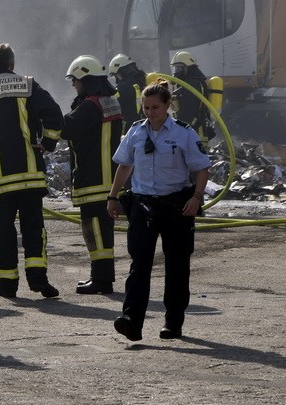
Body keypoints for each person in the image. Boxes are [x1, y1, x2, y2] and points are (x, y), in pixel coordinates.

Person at [107, 83, 211, 342]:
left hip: (176, 206)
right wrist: (112, 196)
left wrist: (196, 198)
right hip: (143, 205)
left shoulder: (184, 133)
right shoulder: (135, 132)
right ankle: (131, 320)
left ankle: (173, 322)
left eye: (155, 107)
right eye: (146, 108)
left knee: (177, 266)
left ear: (167, 106)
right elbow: (124, 166)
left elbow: (201, 169)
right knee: (139, 264)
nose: (150, 113)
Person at [0, 43, 64, 299]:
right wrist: (47, 143)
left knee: (3, 231)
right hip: (30, 175)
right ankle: (39, 280)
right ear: (12, 64)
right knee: (33, 228)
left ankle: (7, 283)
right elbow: (54, 114)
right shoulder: (28, 85)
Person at [61, 55, 123, 295]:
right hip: (109, 177)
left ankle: (101, 280)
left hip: (92, 178)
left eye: (75, 81)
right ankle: (102, 277)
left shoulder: (89, 106)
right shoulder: (110, 102)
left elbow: (67, 128)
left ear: (85, 79)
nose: (74, 86)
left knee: (93, 230)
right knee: (103, 229)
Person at [170, 51, 213, 141]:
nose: (176, 72)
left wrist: (177, 132)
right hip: (194, 131)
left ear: (187, 68)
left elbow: (187, 113)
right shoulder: (192, 82)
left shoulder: (191, 85)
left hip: (193, 133)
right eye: (175, 68)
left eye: (179, 68)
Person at [109, 53, 148, 129]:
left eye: (116, 75)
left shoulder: (122, 88)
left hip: (131, 128)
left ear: (121, 72)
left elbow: (112, 107)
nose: (116, 79)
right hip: (148, 125)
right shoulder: (143, 81)